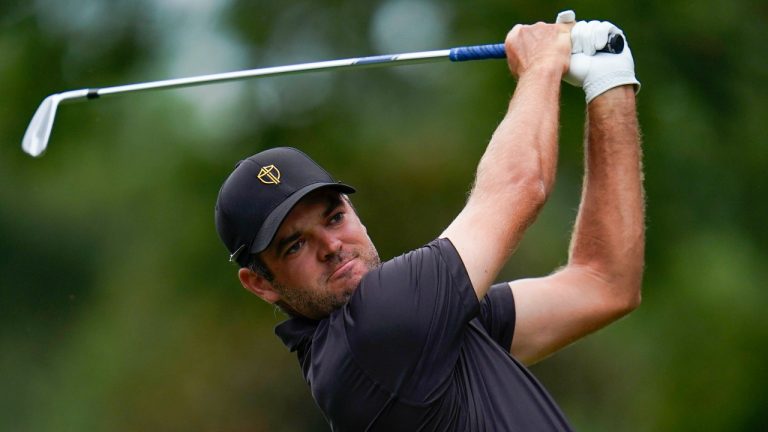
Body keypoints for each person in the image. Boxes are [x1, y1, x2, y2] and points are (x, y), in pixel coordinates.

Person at [215, 11, 644, 431]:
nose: (330, 246)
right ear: (261, 283)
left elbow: (605, 284)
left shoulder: (424, 331)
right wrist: (542, 62)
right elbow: (519, 186)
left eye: (334, 217)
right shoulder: (375, 331)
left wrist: (610, 84)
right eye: (294, 245)